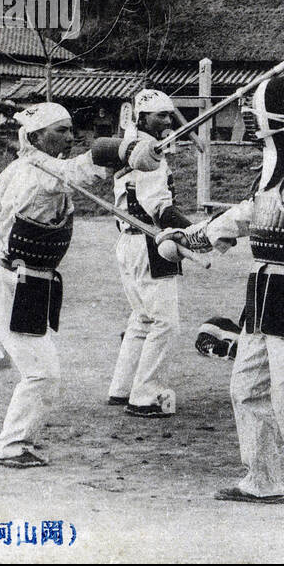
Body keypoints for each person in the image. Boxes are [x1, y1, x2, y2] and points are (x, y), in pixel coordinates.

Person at [167, 74, 284, 525]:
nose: (254, 127)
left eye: (258, 118)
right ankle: (262, 480)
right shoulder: (279, 165)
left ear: (280, 120)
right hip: (263, 292)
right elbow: (254, 213)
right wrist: (199, 235)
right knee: (246, 388)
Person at [0, 103, 161, 467]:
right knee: (43, 373)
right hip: (16, 282)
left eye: (70, 128)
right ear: (35, 137)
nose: (69, 136)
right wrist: (127, 148)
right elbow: (82, 169)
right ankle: (11, 446)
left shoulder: (20, 168)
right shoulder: (43, 171)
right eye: (59, 130)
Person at [108, 89, 194, 418]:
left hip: (128, 244)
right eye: (160, 115)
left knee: (142, 319)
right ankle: (144, 394)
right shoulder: (148, 155)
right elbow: (159, 206)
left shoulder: (127, 146)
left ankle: (122, 386)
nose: (167, 121)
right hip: (149, 242)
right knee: (166, 324)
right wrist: (193, 233)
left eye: (169, 114)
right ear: (142, 117)